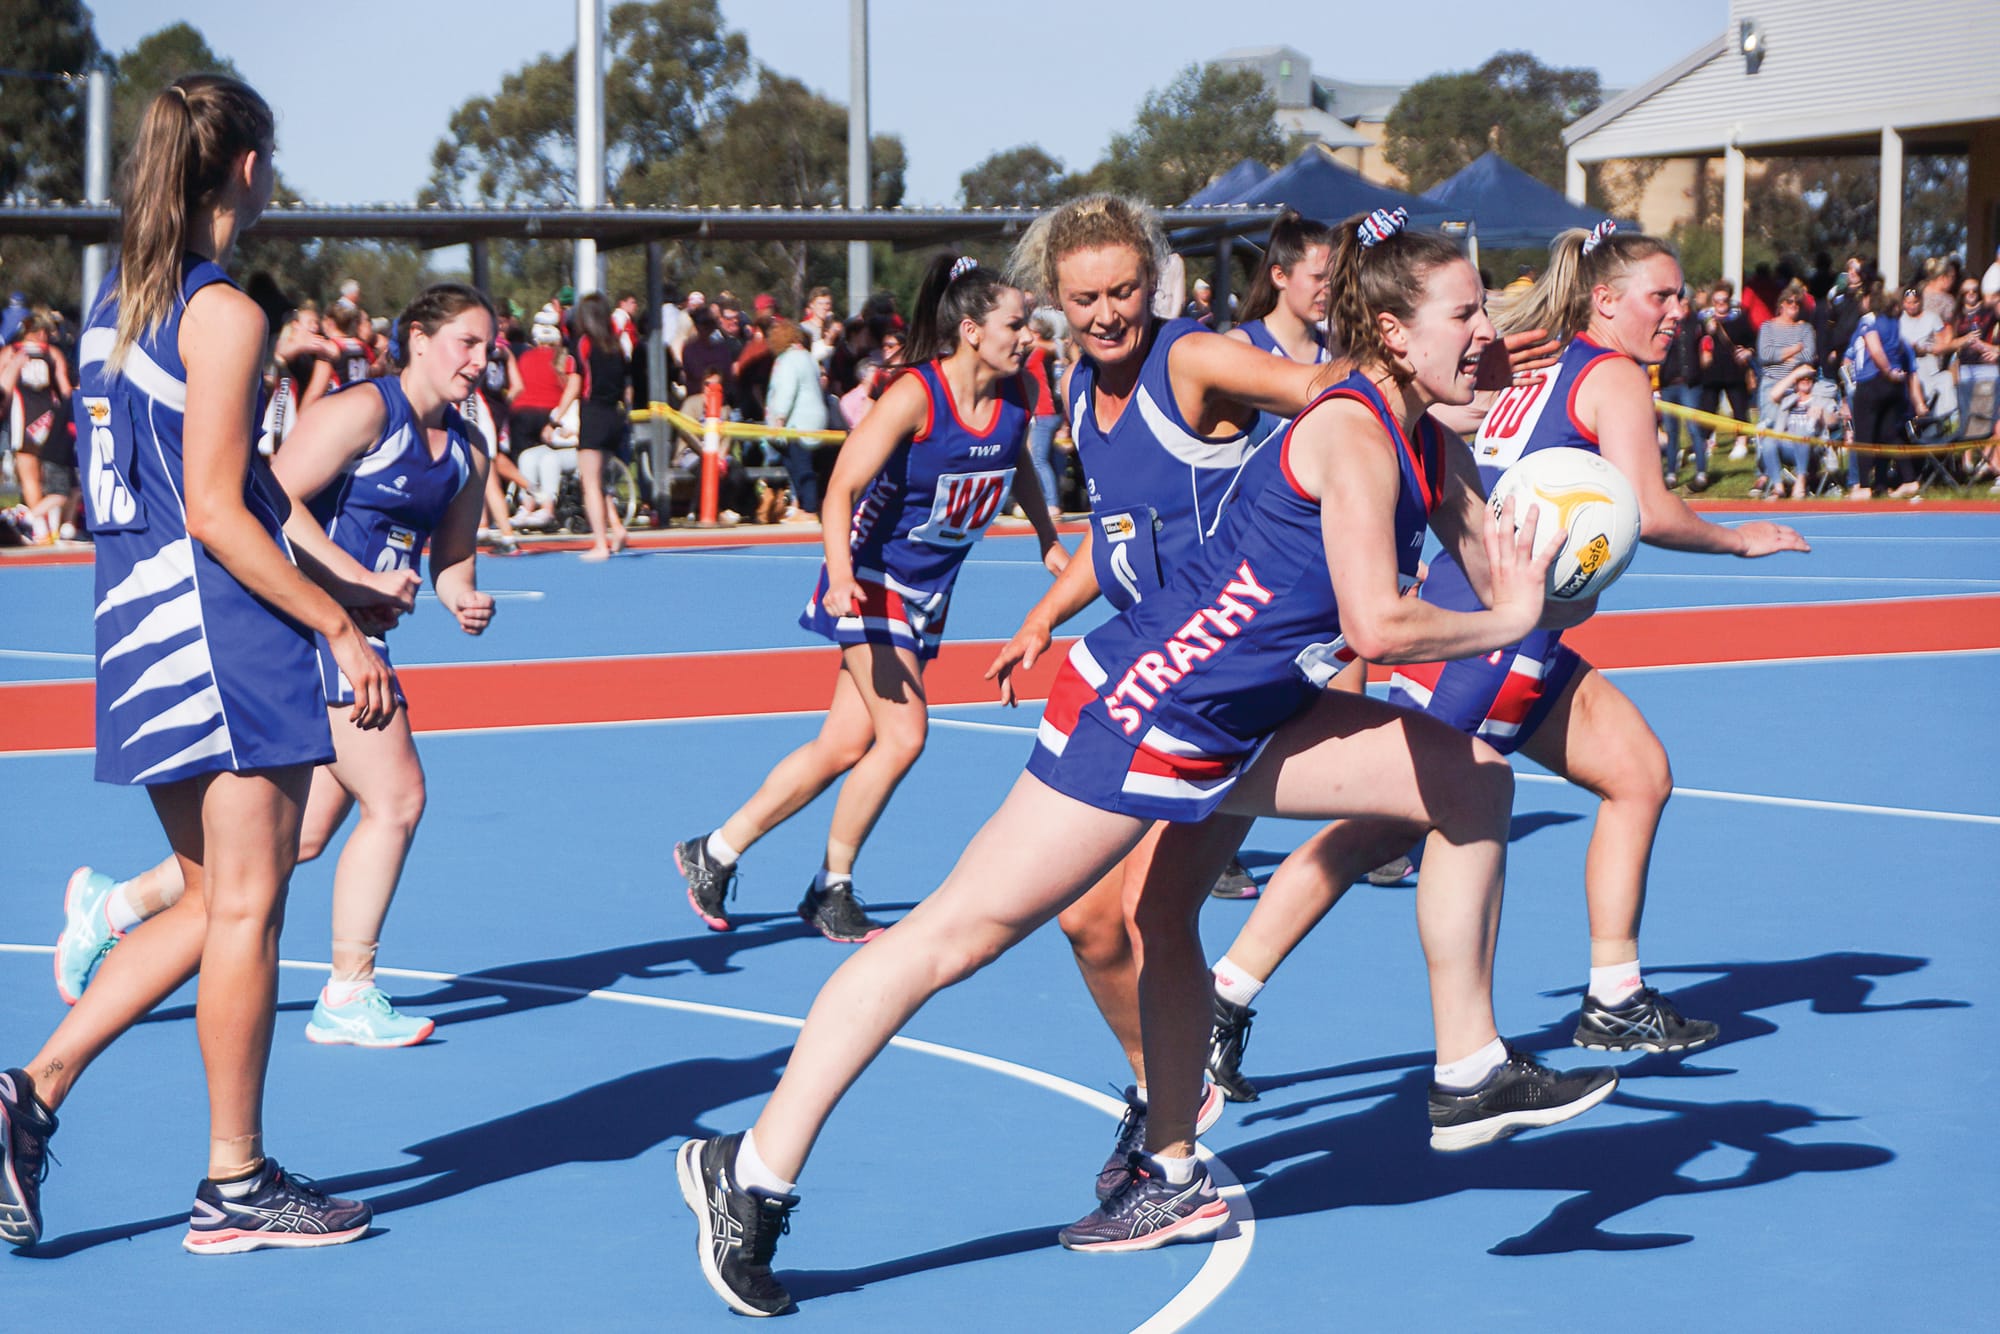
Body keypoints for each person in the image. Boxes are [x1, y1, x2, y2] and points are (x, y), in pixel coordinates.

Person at [677, 207, 1619, 1317]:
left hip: (1250, 713)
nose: (1487, 331)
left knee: (1467, 779)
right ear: (1391, 331)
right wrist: (1507, 613)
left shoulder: (1423, 430)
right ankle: (747, 1169)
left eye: (1487, 312)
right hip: (1147, 709)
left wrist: (1557, 560)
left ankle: (1434, 1081)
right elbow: (1378, 623)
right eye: (1466, 313)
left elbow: (1486, 557)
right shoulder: (1350, 428)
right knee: (949, 939)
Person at [1204, 222, 1812, 1108]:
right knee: (1379, 829)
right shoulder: (1608, 376)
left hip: (1505, 619)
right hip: (1494, 633)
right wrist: (1739, 537)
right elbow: (1649, 507)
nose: (1677, 312)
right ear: (1606, 300)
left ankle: (1613, 995)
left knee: (1638, 773)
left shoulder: (1544, 367)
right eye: (1662, 295)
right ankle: (1227, 1000)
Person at [0, 74, 397, 1255]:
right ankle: (234, 1180)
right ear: (243, 167)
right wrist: (332, 626)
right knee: (254, 904)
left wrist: (339, 577)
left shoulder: (119, 303)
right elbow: (222, 511)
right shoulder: (224, 312)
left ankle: (30, 1090)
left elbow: (234, 481)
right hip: (215, 629)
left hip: (133, 623)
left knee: (205, 895)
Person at [56, 282, 497, 1052]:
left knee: (293, 840)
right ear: (419, 340)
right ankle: (347, 993)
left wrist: (463, 598)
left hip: (360, 634)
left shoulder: (467, 451)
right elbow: (271, 499)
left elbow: (452, 563)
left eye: (490, 346)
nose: (481, 359)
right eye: (467, 341)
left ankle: (112, 907)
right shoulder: (364, 412)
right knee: (397, 799)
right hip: (311, 631)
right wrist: (349, 591)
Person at [673, 254, 1066, 945]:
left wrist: (1045, 538)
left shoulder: (1013, 400)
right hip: (871, 578)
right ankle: (833, 887)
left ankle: (715, 851)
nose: (1027, 335)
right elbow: (840, 489)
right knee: (905, 734)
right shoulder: (916, 394)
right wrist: (840, 570)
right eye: (1015, 324)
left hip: (924, 592)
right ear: (971, 329)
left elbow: (1019, 464)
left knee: (842, 745)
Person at [563, 292, 631, 560]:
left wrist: (557, 414)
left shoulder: (583, 344)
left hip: (594, 412)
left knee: (589, 482)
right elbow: (627, 386)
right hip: (614, 414)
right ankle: (615, 526)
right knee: (599, 480)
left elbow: (575, 383)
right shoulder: (616, 345)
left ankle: (601, 543)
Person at [1844, 288, 1927, 499]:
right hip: (1894, 387)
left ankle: (1863, 486)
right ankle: (1909, 479)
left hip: (1873, 381)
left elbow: (1875, 348)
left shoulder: (1870, 321)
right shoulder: (1894, 322)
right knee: (1890, 433)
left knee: (1864, 435)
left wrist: (1887, 371)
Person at [1, 312, 77, 542]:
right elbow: (65, 390)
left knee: (31, 478)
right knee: (51, 479)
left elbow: (3, 389)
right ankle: (51, 525)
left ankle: (38, 525)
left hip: (22, 420)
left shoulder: (11, 352)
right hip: (50, 423)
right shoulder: (51, 353)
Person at [761, 318, 828, 519]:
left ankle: (808, 510)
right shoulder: (808, 357)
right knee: (797, 465)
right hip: (816, 421)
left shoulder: (788, 360)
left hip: (798, 423)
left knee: (801, 467)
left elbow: (785, 391)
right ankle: (803, 506)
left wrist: (779, 418)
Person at [1693, 281, 1754, 489]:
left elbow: (1751, 340)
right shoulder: (1704, 318)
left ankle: (1742, 442)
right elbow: (1697, 342)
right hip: (1711, 372)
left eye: (1724, 300)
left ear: (1729, 299)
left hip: (1734, 371)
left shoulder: (1739, 317)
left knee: (1739, 407)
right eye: (1717, 300)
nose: (1720, 304)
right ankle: (1707, 442)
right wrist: (1707, 332)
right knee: (1707, 408)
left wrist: (1748, 352)